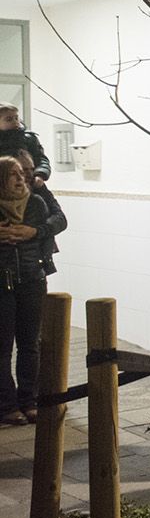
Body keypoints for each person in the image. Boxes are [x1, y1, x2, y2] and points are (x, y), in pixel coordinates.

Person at [0, 155, 64, 425]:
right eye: (13, 174)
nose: (20, 178)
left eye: (21, 173)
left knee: (30, 345)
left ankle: (29, 401)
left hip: (32, 279)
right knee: (2, 348)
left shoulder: (36, 202)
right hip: (2, 282)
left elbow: (58, 221)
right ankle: (6, 405)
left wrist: (33, 232)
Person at [0, 105, 49, 181]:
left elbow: (41, 159)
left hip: (30, 180)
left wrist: (40, 174)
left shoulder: (28, 138)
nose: (15, 122)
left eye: (16, 118)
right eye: (9, 119)